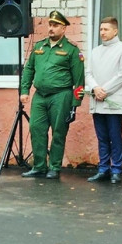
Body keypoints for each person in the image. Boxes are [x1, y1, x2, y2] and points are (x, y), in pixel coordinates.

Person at [20, 10, 85, 180]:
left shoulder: (72, 49)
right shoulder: (39, 46)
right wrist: (25, 90)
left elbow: (79, 80)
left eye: (55, 25)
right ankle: (39, 166)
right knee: (36, 129)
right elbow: (29, 69)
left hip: (61, 96)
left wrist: (75, 105)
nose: (51, 28)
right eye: (50, 24)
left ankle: (54, 167)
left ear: (63, 28)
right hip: (40, 96)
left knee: (58, 132)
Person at [84, 16, 122, 184]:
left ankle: (116, 169)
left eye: (106, 29)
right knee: (102, 137)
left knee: (114, 136)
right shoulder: (95, 51)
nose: (102, 33)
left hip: (113, 99)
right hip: (97, 99)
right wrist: (95, 88)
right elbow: (88, 73)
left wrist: (104, 90)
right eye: (101, 29)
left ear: (115, 31)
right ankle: (103, 168)